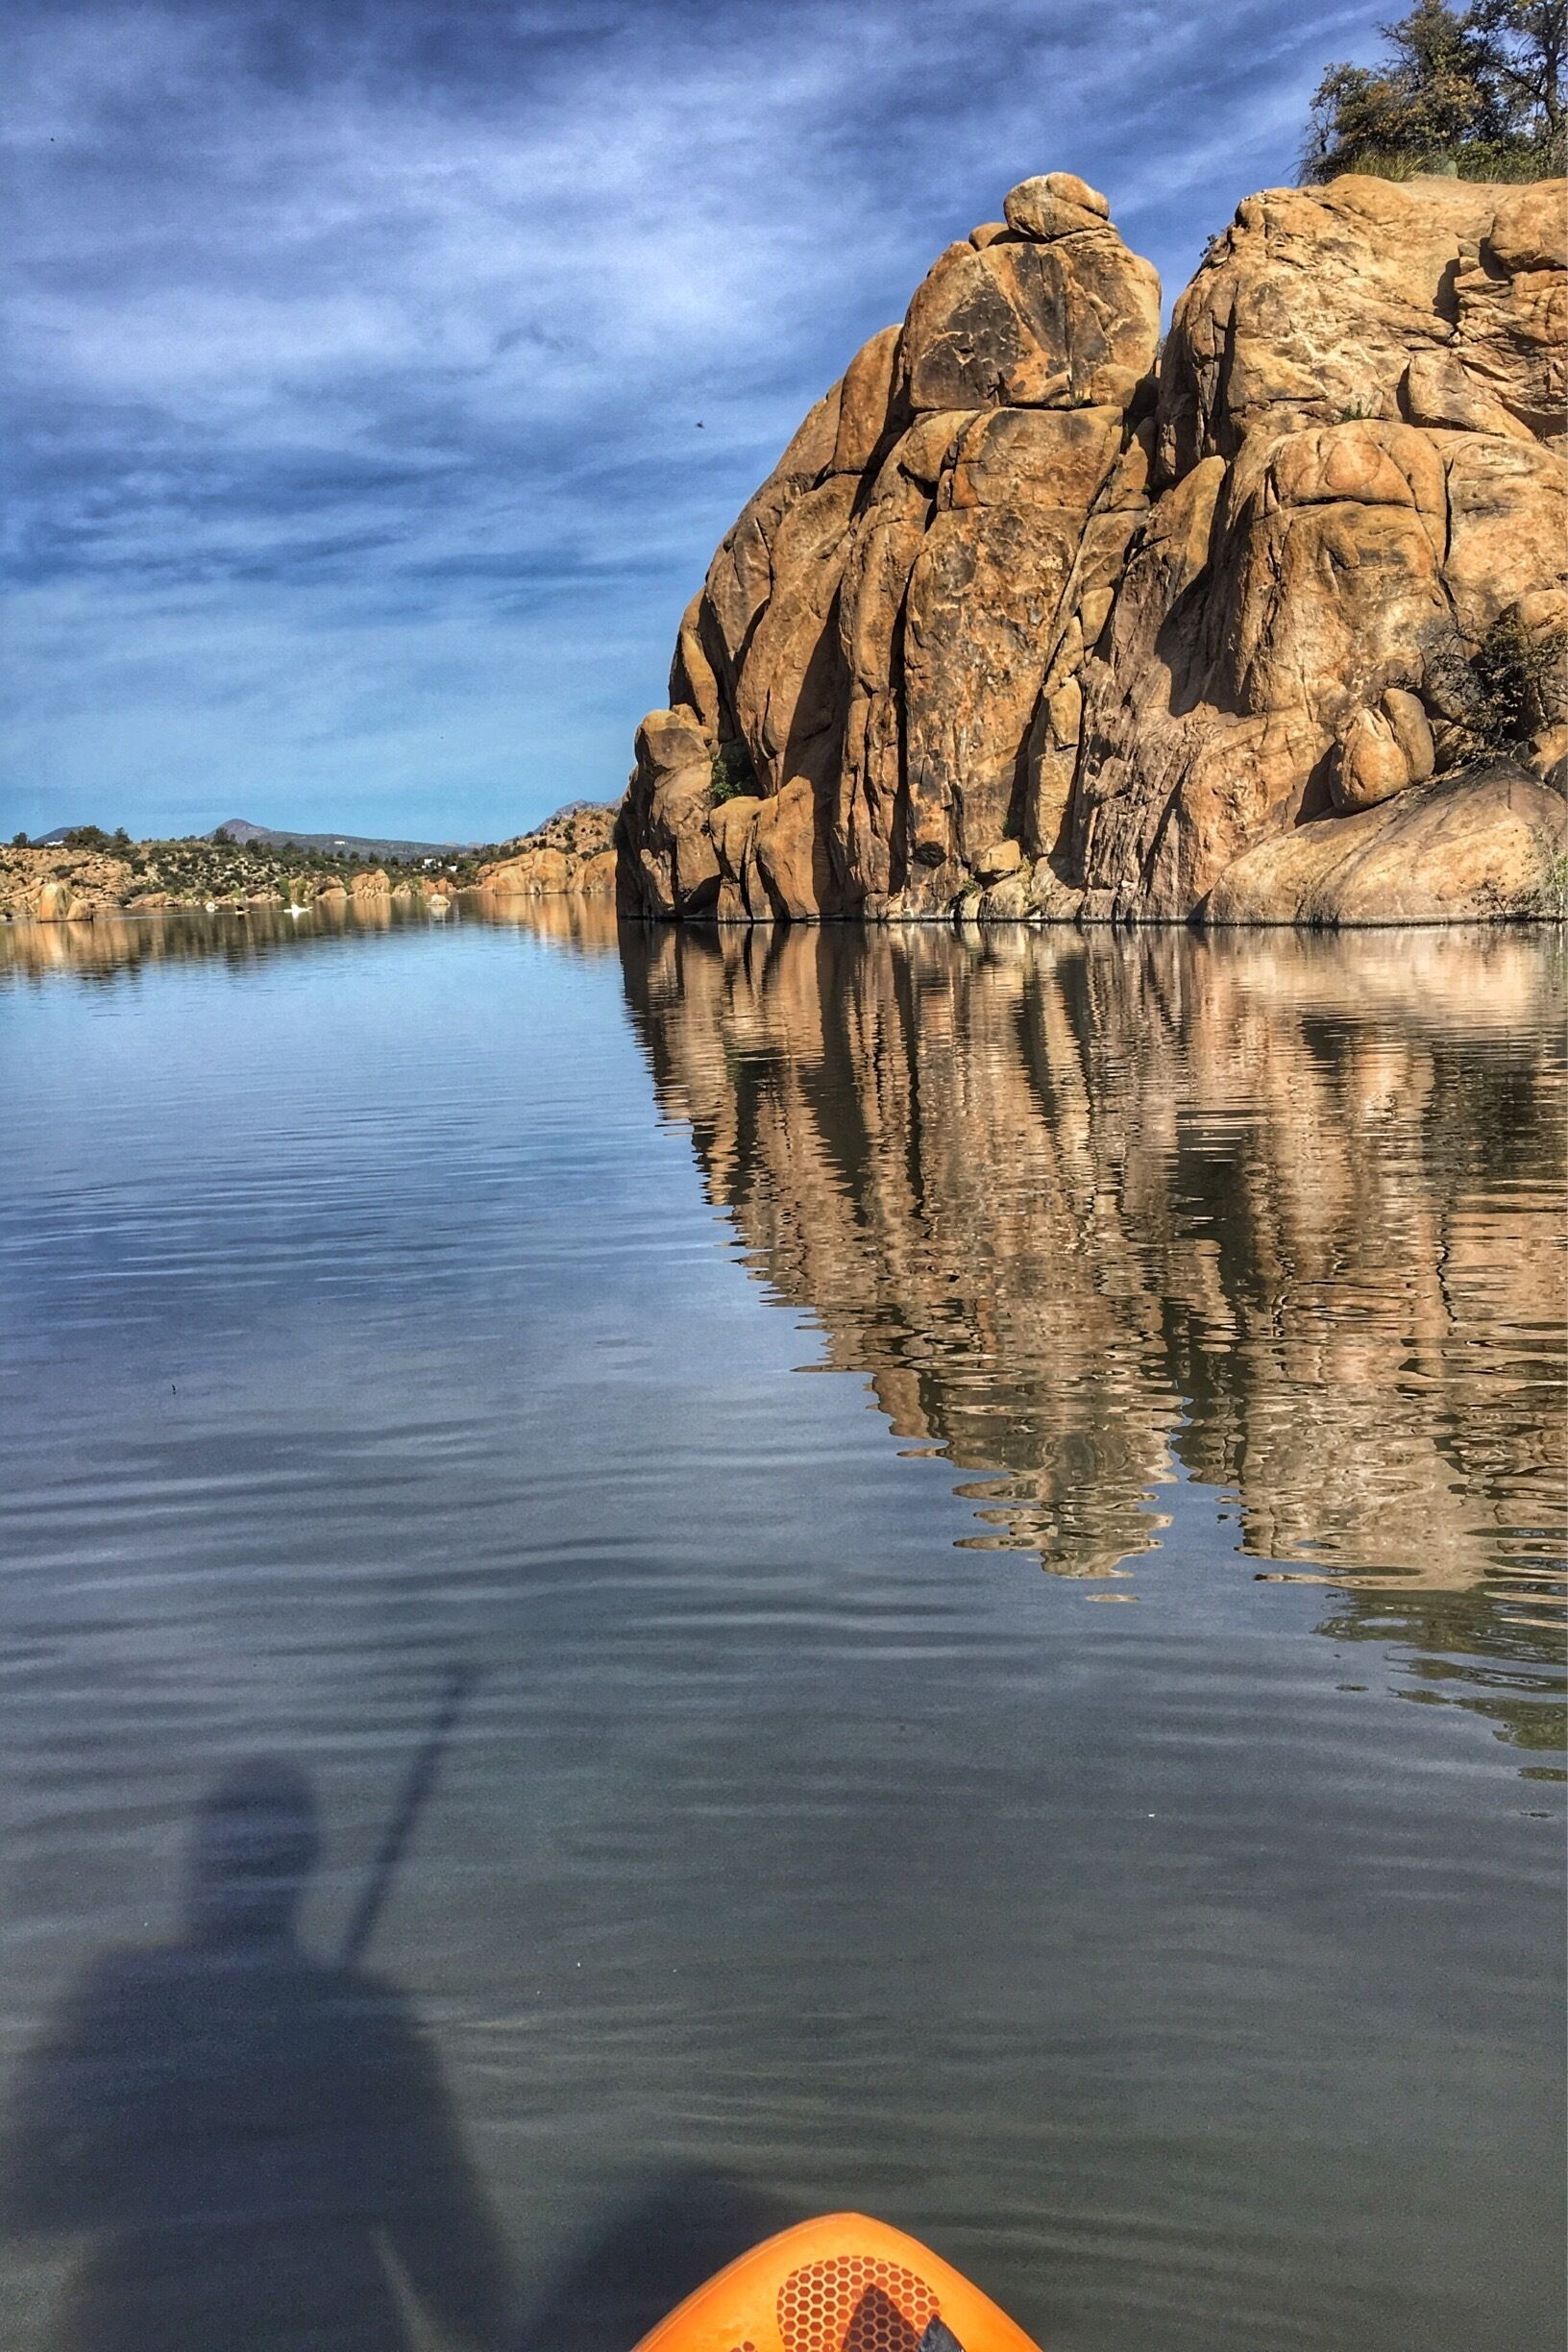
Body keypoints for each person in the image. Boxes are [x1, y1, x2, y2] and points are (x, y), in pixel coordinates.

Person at [1, 1758, 513, 2352]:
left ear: (196, 1864)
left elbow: (24, 2199)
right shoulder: (366, 2021)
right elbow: (451, 2258)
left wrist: (154, 2174)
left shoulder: (123, 1995)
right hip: (329, 2323)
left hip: (147, 2321)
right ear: (302, 1874)